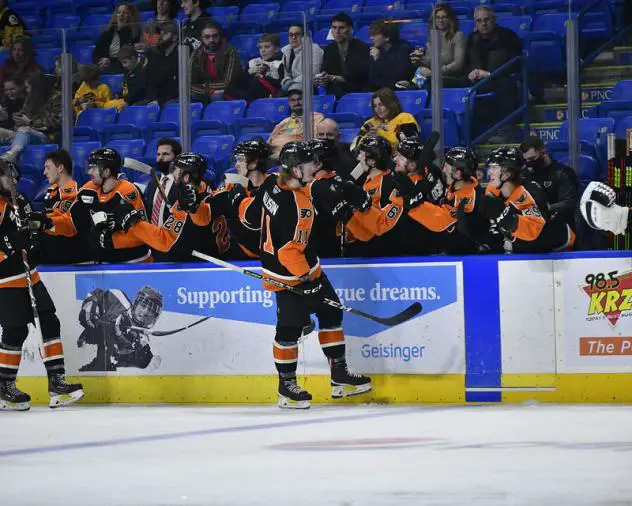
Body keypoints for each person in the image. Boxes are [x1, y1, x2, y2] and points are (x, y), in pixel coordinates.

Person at [260, 141, 371, 409]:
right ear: (296, 168)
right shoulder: (299, 205)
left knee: (332, 314)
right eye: (311, 163)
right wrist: (306, 280)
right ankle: (286, 387)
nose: (316, 166)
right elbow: (288, 251)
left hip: (305, 269)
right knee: (288, 331)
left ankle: (339, 376)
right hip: (291, 277)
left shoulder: (272, 183)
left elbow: (256, 216)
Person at [0, 160, 84, 411]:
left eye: (15, 178)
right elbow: (8, 241)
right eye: (8, 178)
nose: (13, 182)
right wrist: (8, 245)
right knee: (15, 330)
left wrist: (40, 225)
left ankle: (56, 383)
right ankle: (4, 386)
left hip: (29, 274)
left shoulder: (20, 201)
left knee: (49, 320)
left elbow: (33, 229)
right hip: (5, 278)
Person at [111, 153, 234, 262]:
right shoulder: (209, 190)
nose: (173, 173)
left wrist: (134, 223)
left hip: (201, 269)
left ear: (186, 177)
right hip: (223, 260)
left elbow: (164, 240)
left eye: (176, 170)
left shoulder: (186, 204)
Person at [38, 148, 152, 264]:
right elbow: (71, 223)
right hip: (105, 262)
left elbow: (143, 233)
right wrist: (49, 223)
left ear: (106, 172)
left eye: (94, 168)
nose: (89, 172)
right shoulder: (88, 189)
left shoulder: (128, 191)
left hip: (136, 261)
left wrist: (112, 241)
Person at [482, 147, 575, 253]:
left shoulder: (530, 193)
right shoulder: (493, 189)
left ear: (508, 174)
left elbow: (534, 233)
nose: (489, 172)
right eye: (489, 167)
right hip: (526, 247)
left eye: (494, 168)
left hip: (558, 247)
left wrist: (505, 215)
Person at [463, 6, 522, 141]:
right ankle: (466, 133)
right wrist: (469, 73)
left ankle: (507, 129)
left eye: (486, 20)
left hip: (501, 79)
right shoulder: (472, 39)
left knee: (505, 86)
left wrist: (489, 74)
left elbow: (516, 64)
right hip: (478, 83)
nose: (483, 24)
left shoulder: (508, 36)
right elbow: (465, 65)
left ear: (494, 20)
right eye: (479, 21)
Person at [77, 285, 163, 371]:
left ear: (155, 317)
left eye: (152, 311)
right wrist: (90, 302)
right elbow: (98, 294)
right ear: (136, 303)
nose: (145, 312)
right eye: (143, 305)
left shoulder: (143, 348)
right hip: (79, 350)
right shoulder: (119, 300)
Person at [32, 149, 92, 264]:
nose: (44, 172)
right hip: (56, 259)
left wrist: (40, 220)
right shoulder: (52, 192)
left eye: (48, 168)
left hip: (75, 262)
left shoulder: (76, 194)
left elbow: (62, 225)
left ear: (60, 168)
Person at [519, 135, 578, 231]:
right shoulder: (525, 174)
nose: (529, 163)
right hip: (532, 225)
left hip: (559, 225)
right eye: (526, 160)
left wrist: (546, 208)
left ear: (544, 152)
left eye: (532, 159)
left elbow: (569, 203)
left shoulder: (563, 172)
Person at [0, 72, 61, 163]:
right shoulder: (31, 99)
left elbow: (55, 122)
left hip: (44, 136)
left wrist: (30, 122)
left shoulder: (57, 98)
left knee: (25, 129)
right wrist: (9, 117)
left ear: (36, 87)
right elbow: (21, 115)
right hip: (21, 135)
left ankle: (12, 154)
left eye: (28, 88)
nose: (27, 91)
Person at [404, 4, 466, 90]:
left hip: (451, 78)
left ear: (450, 19)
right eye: (437, 17)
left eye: (444, 17)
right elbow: (430, 62)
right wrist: (419, 61)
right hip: (433, 77)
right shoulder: (432, 37)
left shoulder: (458, 36)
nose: (440, 20)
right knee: (408, 87)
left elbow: (457, 65)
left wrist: (434, 72)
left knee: (427, 83)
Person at [317, 12, 370, 98]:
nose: (337, 32)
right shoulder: (329, 49)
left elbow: (362, 75)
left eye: (341, 28)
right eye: (334, 28)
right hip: (335, 92)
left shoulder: (362, 48)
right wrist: (322, 79)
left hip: (358, 91)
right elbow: (325, 71)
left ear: (350, 30)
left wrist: (337, 78)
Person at [190, 21, 244, 103]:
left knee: (217, 96)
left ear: (221, 36)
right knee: (188, 97)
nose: (211, 40)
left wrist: (206, 86)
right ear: (201, 38)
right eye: (207, 37)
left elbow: (227, 83)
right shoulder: (196, 54)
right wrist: (206, 90)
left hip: (229, 90)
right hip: (204, 91)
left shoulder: (229, 51)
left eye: (215, 36)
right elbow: (189, 83)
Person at [354, 87, 419, 149]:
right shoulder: (370, 123)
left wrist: (381, 135)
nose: (378, 109)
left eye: (381, 105)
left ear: (391, 104)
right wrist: (366, 137)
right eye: (375, 106)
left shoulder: (405, 117)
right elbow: (354, 146)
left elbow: (410, 142)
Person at [268, 89, 325, 158]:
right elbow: (269, 141)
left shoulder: (316, 117)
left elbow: (314, 139)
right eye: (293, 100)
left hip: (294, 154)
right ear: (289, 103)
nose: (297, 103)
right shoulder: (285, 121)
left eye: (300, 99)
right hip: (274, 153)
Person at [92, 3, 142, 74]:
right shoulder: (108, 31)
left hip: (123, 67)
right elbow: (95, 54)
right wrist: (102, 61)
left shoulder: (134, 33)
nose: (121, 15)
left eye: (125, 13)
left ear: (131, 16)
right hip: (106, 67)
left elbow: (126, 55)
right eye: (119, 12)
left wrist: (123, 28)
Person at [144, 138, 182, 231]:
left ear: (176, 158)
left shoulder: (182, 184)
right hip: (153, 238)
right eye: (158, 154)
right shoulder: (152, 184)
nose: (160, 158)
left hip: (174, 240)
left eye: (165, 154)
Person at [367, 18, 414, 91]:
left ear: (387, 37)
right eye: (371, 35)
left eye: (375, 35)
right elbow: (373, 81)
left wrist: (378, 60)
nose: (371, 38)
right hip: (381, 91)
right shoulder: (375, 51)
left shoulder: (403, 49)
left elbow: (399, 78)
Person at [103, 45, 149, 111]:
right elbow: (127, 89)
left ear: (133, 58)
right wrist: (118, 95)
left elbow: (138, 89)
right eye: (122, 63)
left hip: (141, 100)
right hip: (129, 99)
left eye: (125, 62)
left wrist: (127, 102)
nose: (123, 65)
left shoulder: (142, 69)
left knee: (126, 110)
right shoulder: (129, 69)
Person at [280, 24, 324, 94]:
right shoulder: (286, 51)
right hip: (292, 87)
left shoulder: (314, 50)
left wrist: (292, 83)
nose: (293, 37)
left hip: (310, 87)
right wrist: (286, 82)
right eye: (291, 35)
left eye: (297, 34)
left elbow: (312, 74)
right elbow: (287, 74)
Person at [145, 22, 179, 106]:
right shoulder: (157, 55)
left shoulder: (180, 55)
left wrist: (160, 101)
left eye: (165, 33)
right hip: (155, 99)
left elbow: (177, 88)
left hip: (173, 99)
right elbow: (152, 81)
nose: (160, 37)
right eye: (160, 33)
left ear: (175, 37)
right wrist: (152, 99)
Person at [247, 33, 284, 100]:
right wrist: (248, 72)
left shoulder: (279, 64)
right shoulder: (252, 62)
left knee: (256, 82)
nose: (263, 50)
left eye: (267, 47)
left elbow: (280, 84)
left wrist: (264, 77)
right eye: (260, 47)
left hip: (271, 91)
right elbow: (242, 81)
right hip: (252, 92)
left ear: (276, 49)